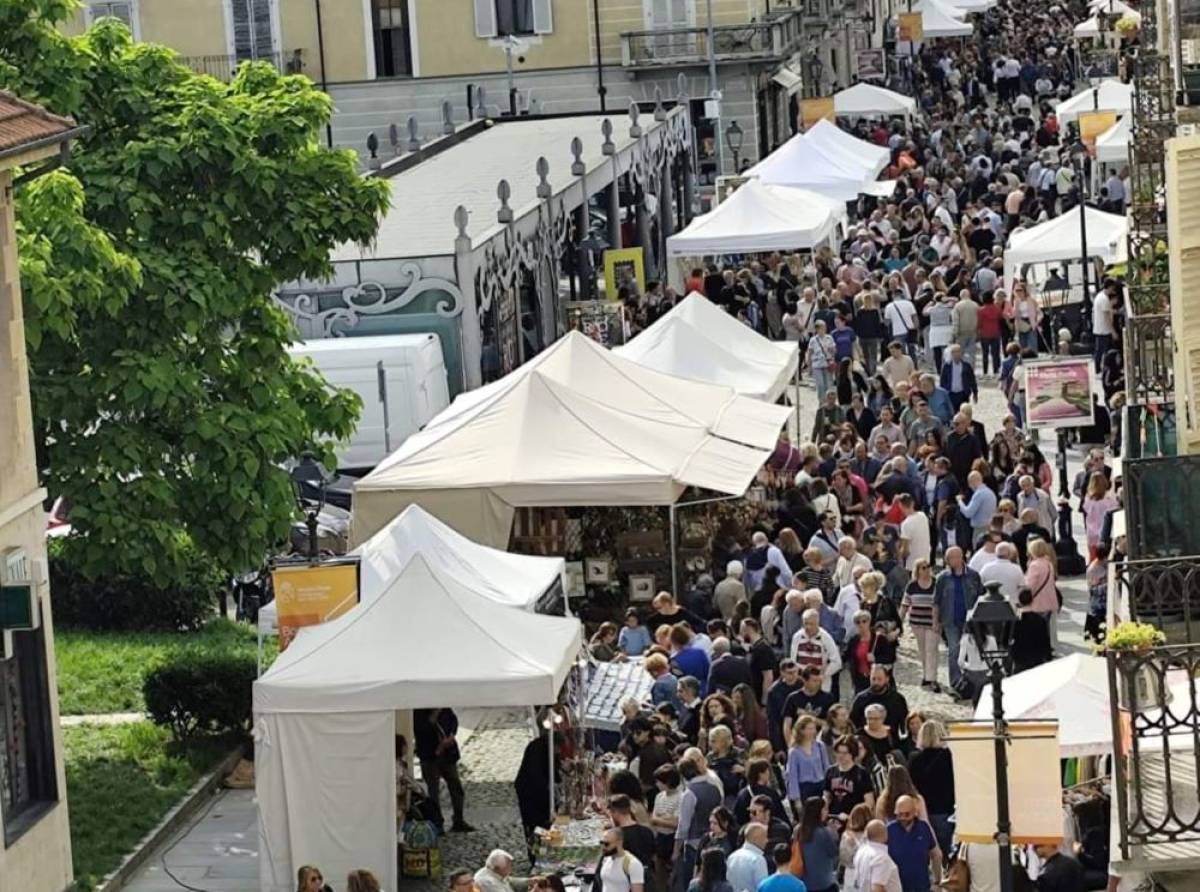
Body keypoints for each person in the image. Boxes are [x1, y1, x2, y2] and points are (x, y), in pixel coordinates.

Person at [933, 547, 983, 697]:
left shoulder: (973, 576)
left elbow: (980, 598)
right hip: (950, 620)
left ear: (962, 557)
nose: (954, 561)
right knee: (954, 651)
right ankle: (956, 683)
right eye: (950, 558)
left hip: (970, 621)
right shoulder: (942, 578)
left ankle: (970, 683)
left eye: (956, 557)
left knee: (970, 651)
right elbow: (936, 601)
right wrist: (935, 621)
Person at [414, 708, 473, 832]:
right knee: (433, 792)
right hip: (429, 756)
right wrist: (434, 714)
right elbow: (421, 729)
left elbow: (453, 721)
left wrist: (451, 735)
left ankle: (458, 819)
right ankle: (437, 823)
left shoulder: (445, 709)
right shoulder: (419, 711)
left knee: (456, 786)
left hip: (447, 755)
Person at [906, 722, 955, 858]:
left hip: (922, 810)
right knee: (946, 852)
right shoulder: (949, 756)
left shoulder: (914, 759)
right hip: (945, 809)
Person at [675, 759, 724, 891]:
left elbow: (683, 826)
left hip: (693, 844)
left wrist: (676, 850)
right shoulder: (714, 788)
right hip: (713, 840)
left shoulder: (689, 793)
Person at [886, 796, 940, 892]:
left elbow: (935, 855)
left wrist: (937, 882)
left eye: (906, 814)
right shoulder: (889, 830)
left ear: (915, 812)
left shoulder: (923, 828)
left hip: (922, 887)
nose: (902, 818)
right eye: (899, 814)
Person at [900, 559, 940, 692]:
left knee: (932, 650)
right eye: (923, 567)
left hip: (932, 622)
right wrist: (899, 622)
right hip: (917, 622)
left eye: (928, 567)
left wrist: (938, 621)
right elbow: (905, 604)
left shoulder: (936, 584)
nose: (926, 569)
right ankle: (926, 675)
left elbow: (940, 603)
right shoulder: (912, 586)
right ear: (918, 570)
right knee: (922, 650)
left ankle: (932, 678)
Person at [613, 794, 658, 892]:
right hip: (648, 881)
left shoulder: (617, 838)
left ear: (615, 813)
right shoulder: (647, 831)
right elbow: (654, 856)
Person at [824, 735, 875, 819]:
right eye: (838, 752)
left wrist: (852, 817)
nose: (841, 756)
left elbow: (869, 802)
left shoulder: (862, 774)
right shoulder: (830, 771)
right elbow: (827, 796)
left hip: (854, 820)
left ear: (852, 754)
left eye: (845, 753)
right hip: (834, 818)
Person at [794, 797, 840, 892]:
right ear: (819, 811)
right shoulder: (824, 832)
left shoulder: (798, 830)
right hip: (824, 883)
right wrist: (835, 834)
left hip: (805, 882)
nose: (827, 812)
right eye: (825, 809)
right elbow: (834, 853)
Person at [786, 715, 831, 806]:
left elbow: (826, 767)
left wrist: (829, 789)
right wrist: (796, 799)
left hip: (820, 786)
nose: (812, 732)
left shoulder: (820, 746)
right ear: (801, 731)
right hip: (805, 789)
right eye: (809, 729)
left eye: (813, 728)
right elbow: (792, 776)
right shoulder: (794, 752)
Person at [1025, 538, 1060, 651]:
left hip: (1039, 602)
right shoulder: (1048, 563)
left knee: (1039, 628)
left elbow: (1030, 585)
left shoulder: (1035, 565)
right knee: (1049, 627)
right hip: (1050, 599)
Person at [1011, 587, 1053, 673]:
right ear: (1032, 601)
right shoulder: (1040, 620)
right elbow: (1045, 641)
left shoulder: (1014, 621)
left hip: (1020, 659)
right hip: (1036, 660)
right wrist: (1048, 657)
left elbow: (1007, 640)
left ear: (1019, 601)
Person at [853, 820, 902, 892]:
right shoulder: (881, 857)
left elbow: (856, 882)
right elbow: (877, 889)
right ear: (886, 835)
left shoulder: (861, 851)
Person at [740, 618, 779, 704]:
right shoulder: (754, 648)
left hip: (760, 697)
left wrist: (764, 702)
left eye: (742, 631)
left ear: (748, 630)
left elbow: (768, 676)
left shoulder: (763, 649)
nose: (741, 635)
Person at [599, 827, 646, 892]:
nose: (603, 847)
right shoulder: (606, 859)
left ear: (619, 842)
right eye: (601, 843)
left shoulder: (632, 863)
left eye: (607, 844)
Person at [726, 824, 770, 892]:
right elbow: (763, 889)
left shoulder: (732, 857)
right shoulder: (758, 860)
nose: (767, 841)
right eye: (765, 837)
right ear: (756, 838)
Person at [939, 345, 978, 413]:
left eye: (958, 352)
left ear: (961, 353)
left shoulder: (966, 366)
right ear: (951, 354)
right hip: (951, 394)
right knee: (952, 412)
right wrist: (943, 394)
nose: (956, 354)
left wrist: (975, 393)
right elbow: (943, 381)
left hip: (963, 394)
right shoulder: (947, 366)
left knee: (963, 413)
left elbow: (972, 380)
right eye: (954, 352)